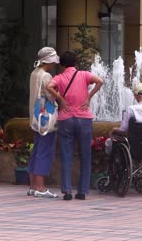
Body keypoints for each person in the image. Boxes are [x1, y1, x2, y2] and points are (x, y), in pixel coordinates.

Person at [46, 51, 103, 201]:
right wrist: (89, 97)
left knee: (66, 155)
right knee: (85, 155)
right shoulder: (84, 75)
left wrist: (60, 99)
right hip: (84, 119)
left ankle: (67, 191)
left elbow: (49, 86)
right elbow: (100, 81)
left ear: (62, 65)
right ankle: (82, 191)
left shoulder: (59, 77)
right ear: (75, 63)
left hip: (66, 119)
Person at [28, 47, 60, 198]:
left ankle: (33, 186)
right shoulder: (46, 76)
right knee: (44, 150)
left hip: (35, 116)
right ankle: (40, 187)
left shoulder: (34, 73)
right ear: (49, 61)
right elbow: (51, 95)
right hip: (45, 117)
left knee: (36, 150)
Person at [104, 82, 142, 154]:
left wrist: (114, 129)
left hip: (135, 144)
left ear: (135, 96)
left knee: (109, 142)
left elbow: (123, 129)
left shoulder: (131, 109)